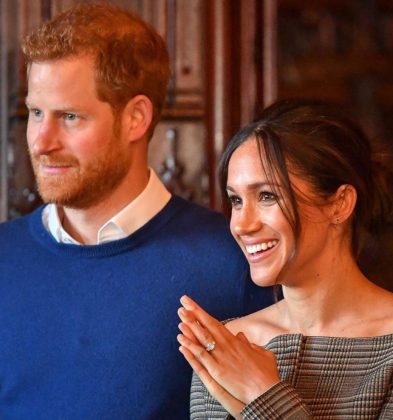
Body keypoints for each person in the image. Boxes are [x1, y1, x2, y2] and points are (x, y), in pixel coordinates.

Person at [0, 4, 273, 419]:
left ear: (135, 118)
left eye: (69, 117)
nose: (40, 142)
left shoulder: (235, 262)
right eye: (36, 112)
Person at [177, 99, 393, 419]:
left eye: (267, 196)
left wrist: (262, 394)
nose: (241, 224)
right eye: (236, 200)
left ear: (340, 204)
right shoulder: (229, 345)